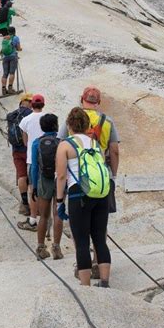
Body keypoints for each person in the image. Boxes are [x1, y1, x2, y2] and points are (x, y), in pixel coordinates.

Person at [58, 86, 120, 279]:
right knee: (100, 234)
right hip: (102, 180)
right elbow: (114, 151)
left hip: (78, 185)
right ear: (98, 101)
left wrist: (60, 200)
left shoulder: (67, 132)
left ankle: (83, 271)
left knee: (81, 236)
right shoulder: (106, 122)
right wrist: (113, 176)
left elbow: (61, 171)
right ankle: (103, 277)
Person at [30, 114, 64, 260]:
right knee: (58, 214)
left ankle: (40, 247)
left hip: (43, 180)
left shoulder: (37, 143)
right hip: (58, 180)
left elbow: (34, 167)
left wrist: (34, 186)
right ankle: (56, 247)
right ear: (56, 126)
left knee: (43, 215)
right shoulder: (61, 143)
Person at [18, 94, 46, 231]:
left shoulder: (26, 120)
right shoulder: (48, 117)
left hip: (32, 159)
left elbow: (25, 141)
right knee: (46, 189)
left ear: (32, 105)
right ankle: (46, 220)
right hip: (48, 159)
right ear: (43, 105)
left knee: (33, 189)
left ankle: (33, 220)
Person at [7, 94, 33, 216]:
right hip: (28, 150)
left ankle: (24, 204)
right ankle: (35, 206)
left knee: (21, 176)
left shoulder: (11, 115)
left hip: (16, 150)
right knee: (32, 178)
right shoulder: (31, 115)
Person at [0, 29, 21, 95]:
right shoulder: (15, 38)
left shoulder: (5, 38)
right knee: (12, 73)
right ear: (14, 31)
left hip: (5, 58)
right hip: (13, 57)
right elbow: (18, 48)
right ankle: (10, 88)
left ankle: (3, 89)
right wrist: (20, 49)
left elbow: (2, 50)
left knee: (5, 73)